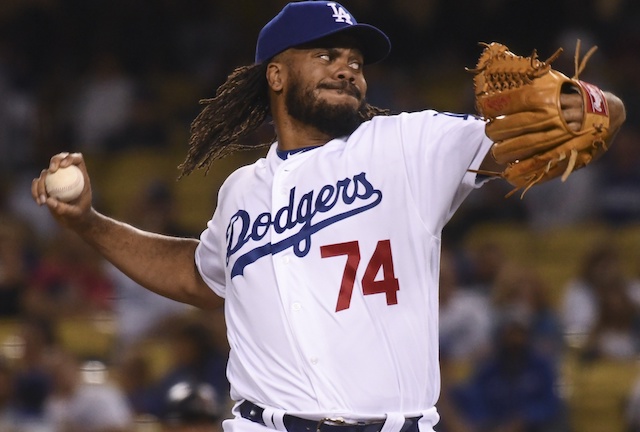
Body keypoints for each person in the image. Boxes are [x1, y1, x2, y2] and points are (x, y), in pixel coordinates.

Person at [31, 2, 626, 432]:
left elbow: (593, 118)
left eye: (355, 59)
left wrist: (585, 103)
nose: (348, 67)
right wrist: (89, 223)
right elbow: (196, 275)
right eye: (326, 54)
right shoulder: (242, 191)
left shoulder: (408, 145)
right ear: (276, 74)